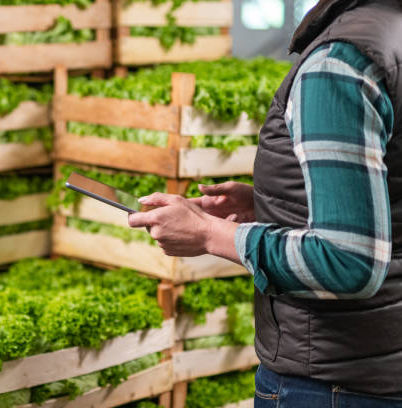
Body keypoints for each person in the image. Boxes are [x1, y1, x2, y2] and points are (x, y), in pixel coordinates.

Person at [128, 0, 402, 406]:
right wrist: (273, 206)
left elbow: (350, 263)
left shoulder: (339, 64)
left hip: (335, 382)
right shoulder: (391, 31)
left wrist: (210, 234)